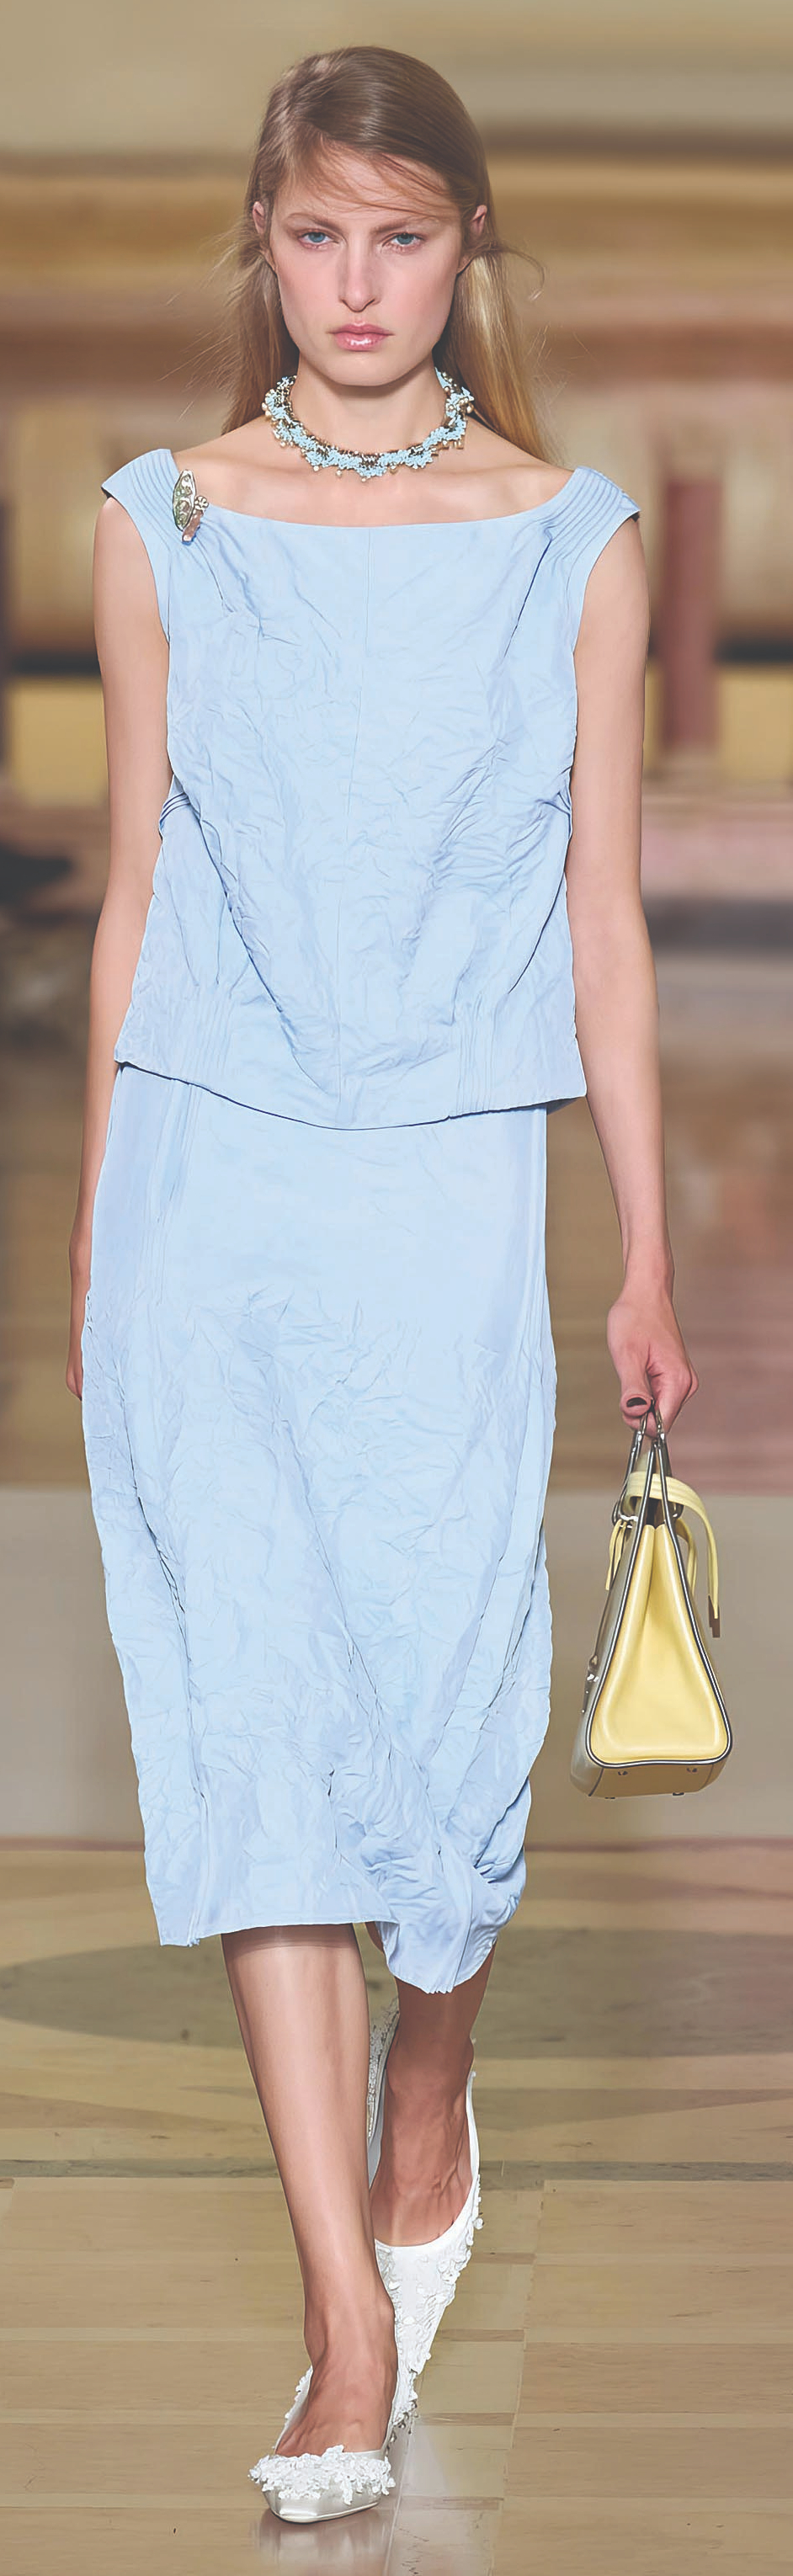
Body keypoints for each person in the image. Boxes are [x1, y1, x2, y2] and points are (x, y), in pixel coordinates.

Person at [67, 43, 698, 2525]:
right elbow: (132, 889)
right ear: (266, 241)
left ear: (465, 249)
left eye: (401, 237)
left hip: (442, 1183)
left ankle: (437, 2072)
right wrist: (97, 1227)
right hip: (211, 1182)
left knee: (448, 1727)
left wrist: (643, 1246)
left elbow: (606, 921)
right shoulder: (164, 525)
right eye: (317, 234)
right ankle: (342, 2316)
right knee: (256, 1736)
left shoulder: (570, 543)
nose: (357, 285)